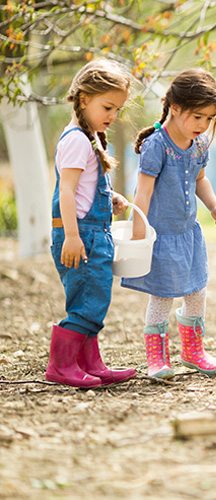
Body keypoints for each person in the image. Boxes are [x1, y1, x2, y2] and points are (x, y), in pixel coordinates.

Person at [121, 68, 216, 379]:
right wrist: (138, 233)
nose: (204, 125)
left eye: (209, 118)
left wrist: (214, 206)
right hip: (161, 236)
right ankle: (157, 357)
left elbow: (201, 180)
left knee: (197, 290)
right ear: (175, 107)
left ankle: (193, 350)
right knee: (163, 294)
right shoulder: (157, 145)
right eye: (198, 116)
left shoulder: (198, 145)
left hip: (188, 235)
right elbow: (142, 192)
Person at [47, 59, 137, 388]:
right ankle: (61, 365)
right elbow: (65, 193)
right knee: (86, 302)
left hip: (94, 234)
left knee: (95, 298)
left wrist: (109, 196)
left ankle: (89, 362)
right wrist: (72, 236)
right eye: (107, 107)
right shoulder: (75, 140)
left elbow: (85, 188)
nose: (112, 116)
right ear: (84, 99)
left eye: (117, 109)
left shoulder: (92, 137)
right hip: (80, 235)